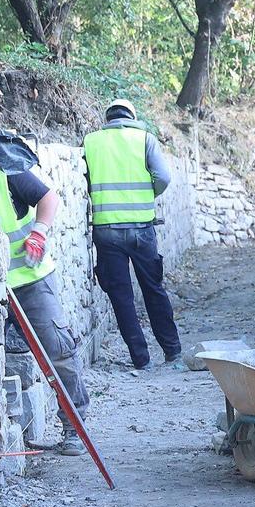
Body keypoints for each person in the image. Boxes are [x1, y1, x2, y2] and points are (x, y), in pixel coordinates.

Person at [0, 155, 89, 454]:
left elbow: (47, 197)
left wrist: (39, 233)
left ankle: (75, 428)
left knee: (58, 351)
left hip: (30, 278)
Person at [82, 99, 184, 371]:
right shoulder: (145, 139)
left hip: (106, 231)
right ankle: (172, 352)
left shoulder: (91, 142)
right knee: (153, 289)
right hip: (142, 229)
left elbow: (88, 180)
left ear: (108, 118)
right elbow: (163, 177)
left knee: (121, 297)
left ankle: (141, 359)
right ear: (132, 116)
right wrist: (147, 195)